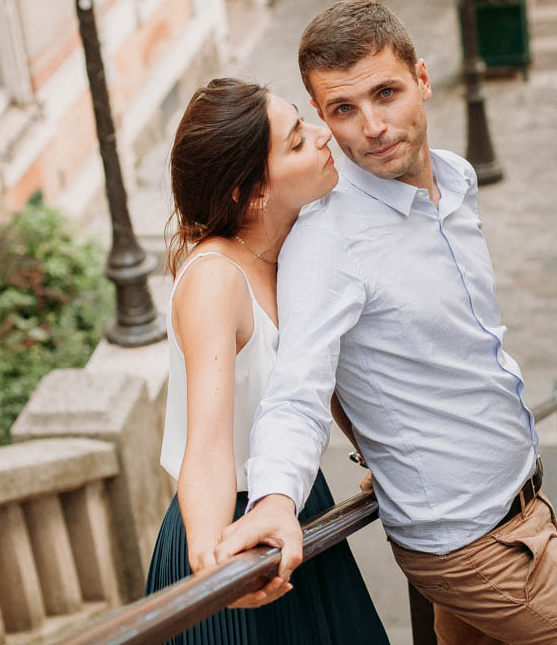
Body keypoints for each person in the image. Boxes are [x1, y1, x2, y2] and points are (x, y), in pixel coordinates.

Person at [218, 0, 557, 644]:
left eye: (387, 93)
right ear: (323, 117)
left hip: (517, 505)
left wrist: (387, 442)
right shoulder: (329, 241)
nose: (372, 126)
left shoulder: (456, 180)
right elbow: (298, 389)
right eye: (344, 110)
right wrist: (273, 499)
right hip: (477, 546)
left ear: (423, 79)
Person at [144, 78, 390, 645]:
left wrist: (378, 451)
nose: (324, 135)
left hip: (297, 501)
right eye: (299, 141)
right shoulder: (214, 279)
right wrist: (217, 571)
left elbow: (313, 374)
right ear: (253, 191)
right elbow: (204, 445)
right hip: (227, 523)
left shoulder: (294, 247)